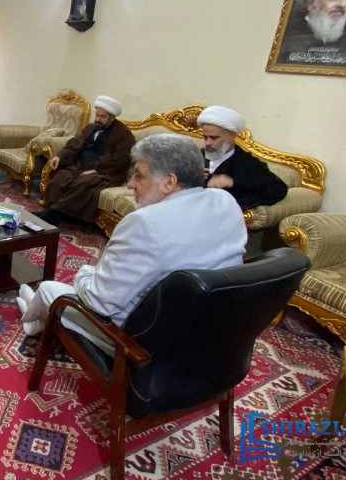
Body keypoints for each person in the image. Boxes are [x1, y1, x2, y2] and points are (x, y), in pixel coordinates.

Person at [17, 133, 247, 343]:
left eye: (139, 176)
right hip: (212, 333)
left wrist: (86, 272)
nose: (130, 184)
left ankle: (34, 318)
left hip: (146, 341)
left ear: (169, 182)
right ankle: (38, 314)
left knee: (49, 289)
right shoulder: (225, 202)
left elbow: (99, 301)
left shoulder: (145, 223)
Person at [36, 95, 135, 226]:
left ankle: (52, 214)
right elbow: (74, 143)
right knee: (61, 176)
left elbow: (119, 159)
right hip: (80, 166)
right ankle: (57, 212)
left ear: (112, 117)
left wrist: (95, 170)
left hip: (104, 172)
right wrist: (59, 157)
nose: (98, 119)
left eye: (102, 117)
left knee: (84, 183)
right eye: (97, 115)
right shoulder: (90, 127)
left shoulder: (124, 134)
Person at [198, 105, 288, 209]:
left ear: (232, 136)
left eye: (214, 138)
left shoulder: (248, 163)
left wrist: (233, 182)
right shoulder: (194, 157)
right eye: (205, 137)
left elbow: (278, 190)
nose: (208, 143)